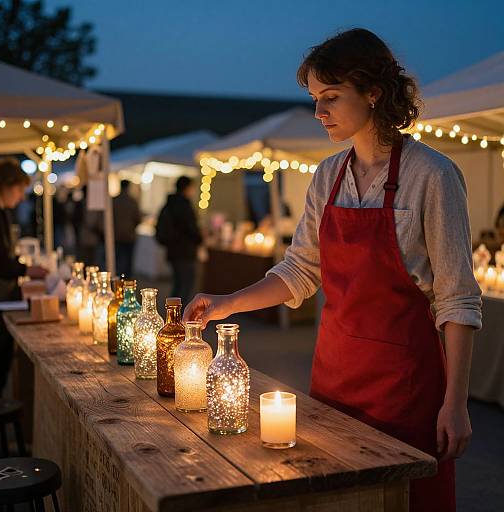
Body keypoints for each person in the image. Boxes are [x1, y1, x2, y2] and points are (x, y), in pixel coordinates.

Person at [184, 29, 481, 512]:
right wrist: (228, 302)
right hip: (334, 378)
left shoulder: (434, 175)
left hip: (406, 387)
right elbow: (300, 271)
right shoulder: (327, 175)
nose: (319, 112)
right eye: (315, 99)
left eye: (331, 98)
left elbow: (458, 301)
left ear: (374, 92)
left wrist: (457, 402)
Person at [0, 157, 47, 397]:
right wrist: (26, 269)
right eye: (20, 189)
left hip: (1, 293)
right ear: (6, 184)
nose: (22, 197)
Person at [156, 176, 202, 305]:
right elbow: (191, 229)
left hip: (173, 250)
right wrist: (200, 238)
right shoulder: (184, 206)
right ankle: (178, 317)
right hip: (185, 251)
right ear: (187, 188)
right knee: (185, 285)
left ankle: (173, 314)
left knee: (178, 283)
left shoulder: (169, 204)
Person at [113, 180, 141, 276]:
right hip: (129, 236)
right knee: (128, 261)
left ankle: (119, 280)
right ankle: (127, 284)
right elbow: (138, 218)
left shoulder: (114, 201)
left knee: (117, 260)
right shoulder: (132, 201)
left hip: (116, 235)